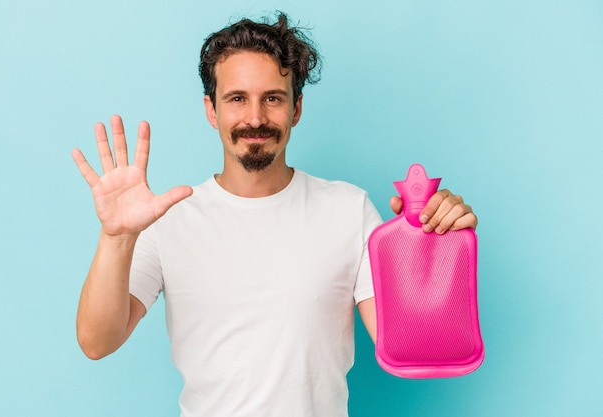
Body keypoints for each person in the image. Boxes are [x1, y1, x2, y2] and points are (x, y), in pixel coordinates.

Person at [72, 12, 477, 417]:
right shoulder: (169, 217)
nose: (255, 117)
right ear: (211, 110)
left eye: (272, 98)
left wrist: (433, 245)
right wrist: (117, 237)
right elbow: (97, 341)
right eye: (236, 98)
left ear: (296, 107)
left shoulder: (348, 210)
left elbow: (410, 342)